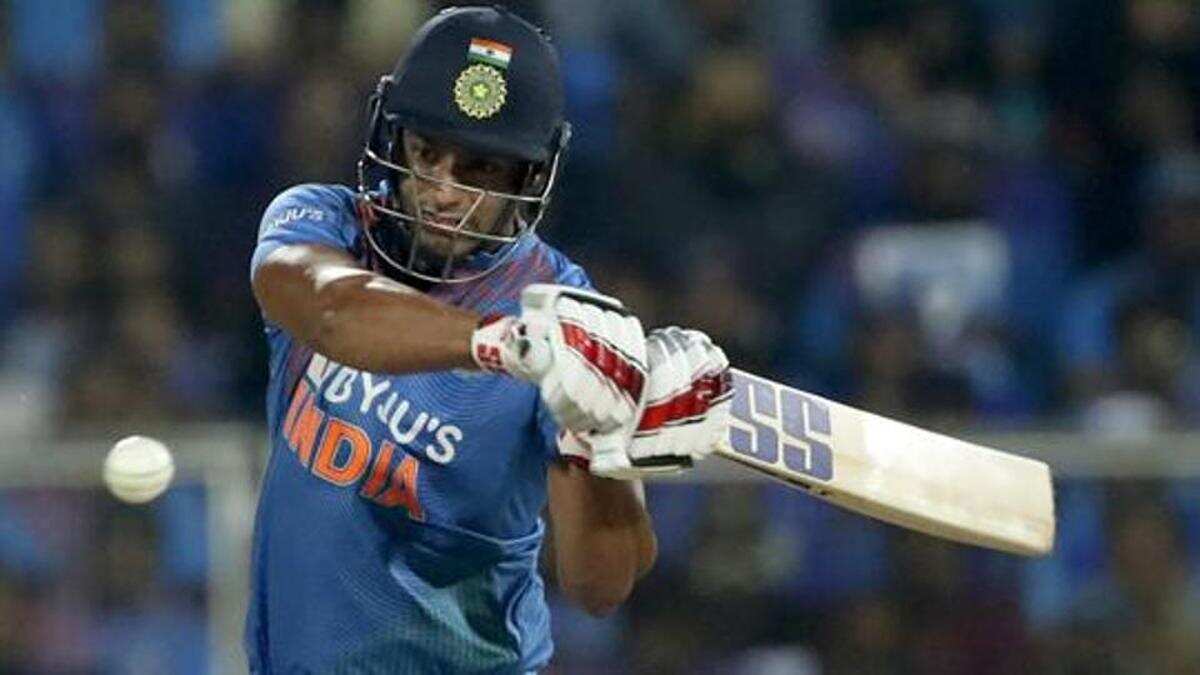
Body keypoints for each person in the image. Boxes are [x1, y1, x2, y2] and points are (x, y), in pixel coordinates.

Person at [245, 6, 732, 673]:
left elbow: (600, 585)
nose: (443, 192)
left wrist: (611, 446)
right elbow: (331, 312)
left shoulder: (570, 311)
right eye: (426, 153)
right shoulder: (327, 222)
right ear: (393, 139)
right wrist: (507, 344)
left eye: (479, 170)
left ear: (530, 177)